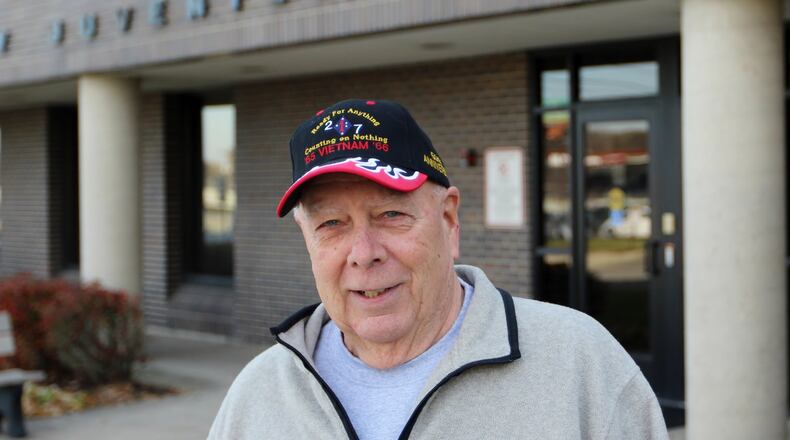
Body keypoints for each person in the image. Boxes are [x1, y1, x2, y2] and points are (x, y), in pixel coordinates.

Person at [208, 99, 669, 440]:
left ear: (448, 221)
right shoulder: (260, 393)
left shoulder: (577, 363)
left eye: (391, 215)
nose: (363, 252)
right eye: (332, 224)